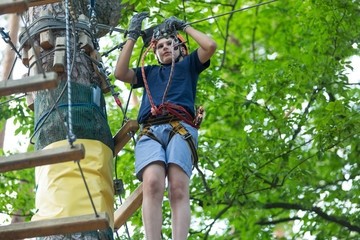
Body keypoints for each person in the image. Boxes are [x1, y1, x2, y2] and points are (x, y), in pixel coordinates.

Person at [114, 12, 217, 240]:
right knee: (151, 184)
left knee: (178, 187)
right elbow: (120, 73)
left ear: (181, 48)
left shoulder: (189, 65)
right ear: (155, 53)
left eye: (171, 44)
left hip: (180, 127)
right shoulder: (149, 72)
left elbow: (210, 45)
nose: (165, 48)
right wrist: (131, 36)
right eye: (160, 46)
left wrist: (184, 26)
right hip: (150, 131)